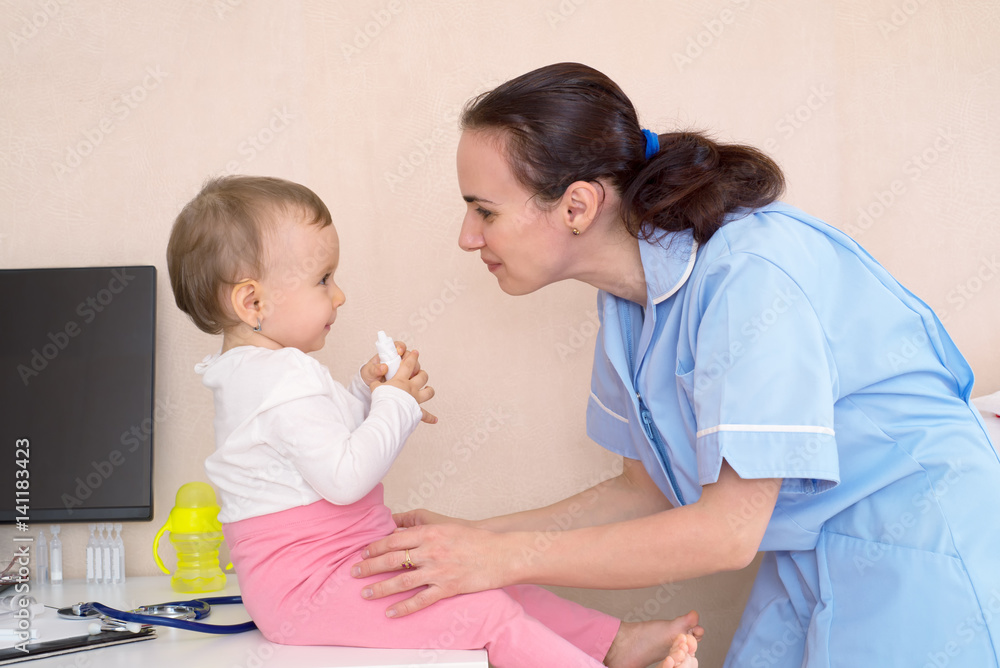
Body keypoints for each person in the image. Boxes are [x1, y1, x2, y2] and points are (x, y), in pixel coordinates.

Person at [353, 63, 1000, 666]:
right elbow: (644, 493)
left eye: (484, 211)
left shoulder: (749, 276)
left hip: (927, 541)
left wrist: (499, 559)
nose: (467, 237)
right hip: (808, 549)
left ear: (577, 206)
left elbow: (727, 533)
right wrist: (472, 538)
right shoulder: (627, 304)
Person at [166, 175, 703, 668]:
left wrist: (367, 393)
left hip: (329, 569)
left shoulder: (257, 374)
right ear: (252, 301)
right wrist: (395, 405)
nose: (340, 295)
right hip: (312, 588)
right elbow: (344, 478)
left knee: (487, 576)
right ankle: (602, 654)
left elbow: (312, 447)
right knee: (487, 613)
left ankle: (614, 643)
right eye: (323, 279)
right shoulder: (280, 376)